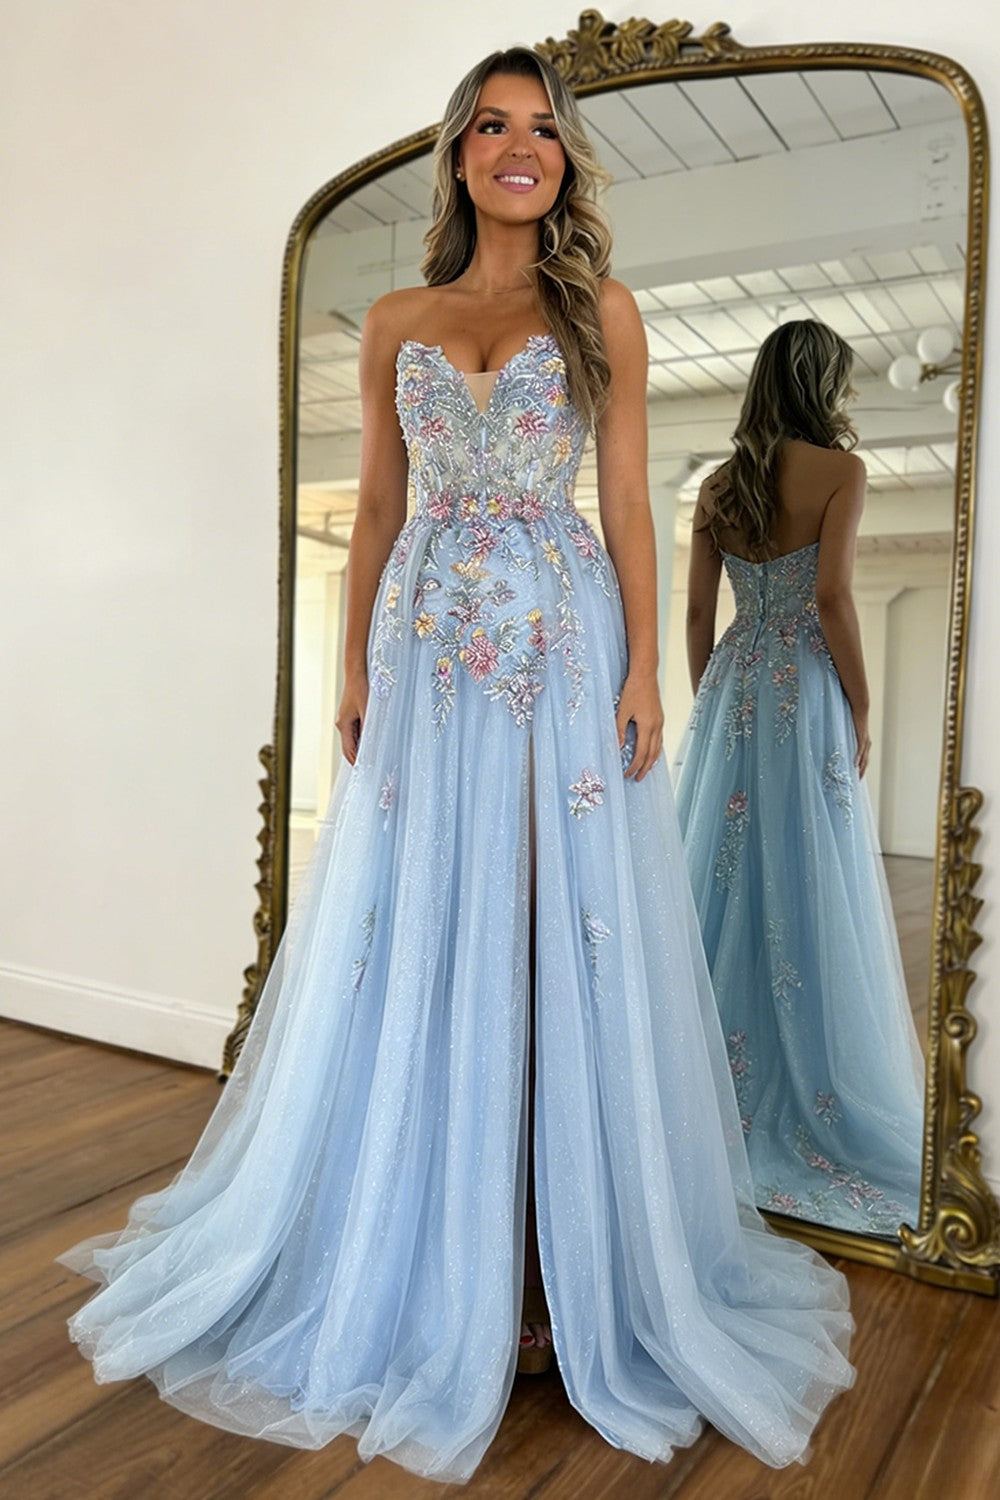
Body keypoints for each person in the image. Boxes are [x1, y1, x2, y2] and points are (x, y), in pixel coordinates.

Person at [58, 51, 854, 1485]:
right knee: (425, 926)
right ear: (460, 154)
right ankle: (424, 1242)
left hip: (559, 648)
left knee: (555, 932)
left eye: (541, 128)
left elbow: (626, 500)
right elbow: (376, 506)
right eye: (493, 125)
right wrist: (352, 666)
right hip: (426, 654)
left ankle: (557, 1265)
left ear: (563, 161)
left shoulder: (600, 311)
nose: (518, 147)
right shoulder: (397, 320)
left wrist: (643, 671)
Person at [674, 320, 925, 1236]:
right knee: (810, 866)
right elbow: (831, 597)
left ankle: (700, 1079)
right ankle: (809, 1073)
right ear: (824, 385)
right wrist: (861, 705)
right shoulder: (842, 472)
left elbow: (697, 614)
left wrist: (710, 699)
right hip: (805, 687)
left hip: (736, 679)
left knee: (723, 871)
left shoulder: (717, 486)